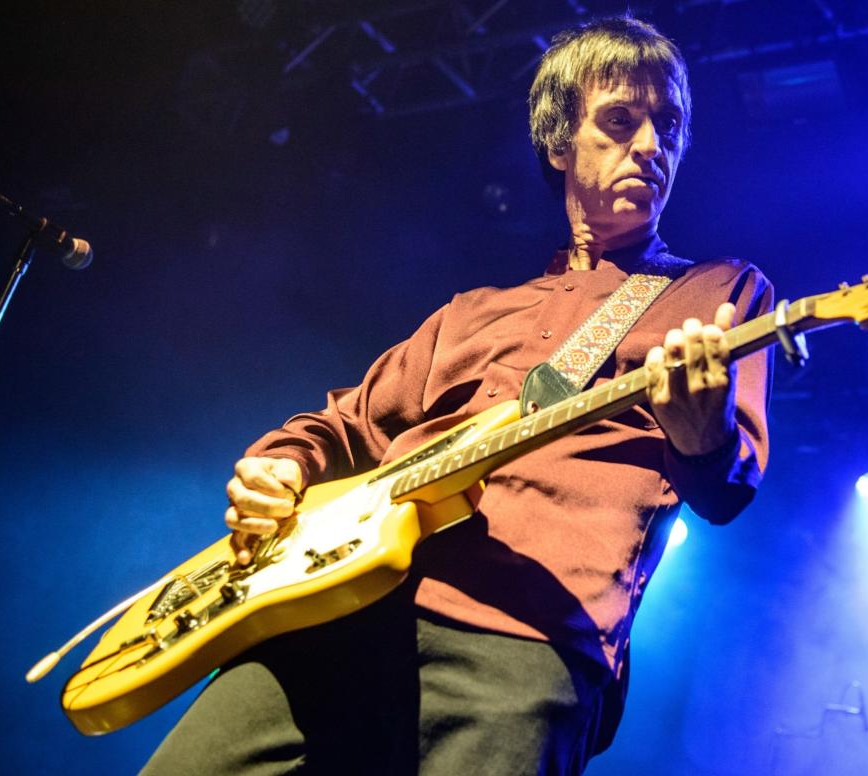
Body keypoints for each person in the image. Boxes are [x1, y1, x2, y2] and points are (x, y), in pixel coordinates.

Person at [142, 15, 772, 776]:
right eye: (618, 120)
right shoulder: (471, 310)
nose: (650, 145)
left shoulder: (713, 290)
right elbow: (341, 423)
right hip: (337, 611)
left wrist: (700, 431)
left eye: (667, 125)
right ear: (558, 143)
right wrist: (277, 465)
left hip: (525, 641)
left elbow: (726, 485)